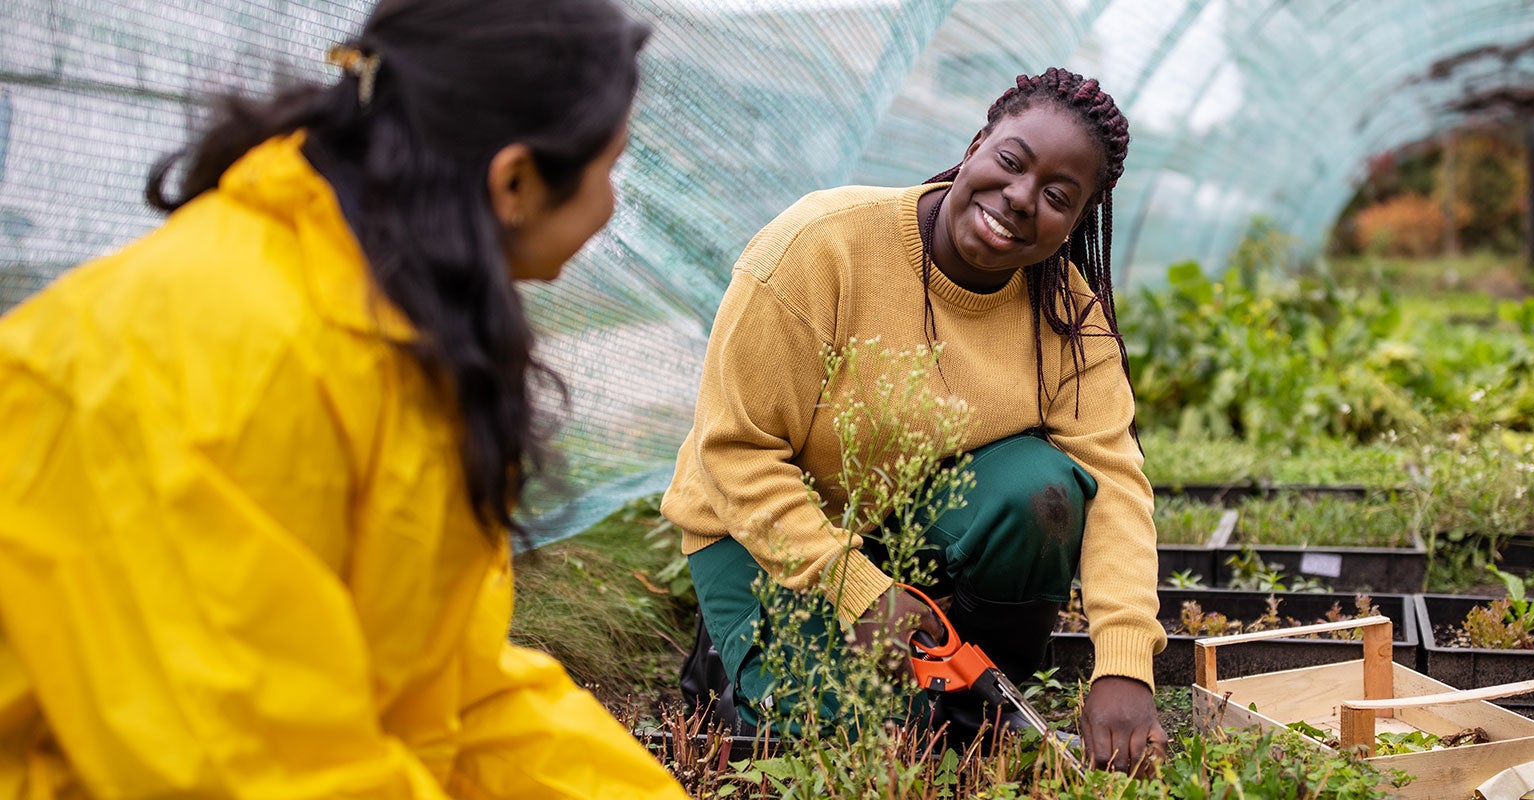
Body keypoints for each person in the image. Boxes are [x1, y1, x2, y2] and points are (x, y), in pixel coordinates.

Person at [0, 0, 685, 796]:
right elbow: (253, 769)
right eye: (613, 170)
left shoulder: (390, 330)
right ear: (516, 181)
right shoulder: (212, 365)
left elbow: (456, 696)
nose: (610, 210)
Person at [663, 67, 1167, 773]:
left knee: (1043, 488)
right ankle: (731, 658)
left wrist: (1124, 664)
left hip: (907, 519)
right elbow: (734, 451)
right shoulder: (821, 247)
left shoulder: (1065, 319)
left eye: (1058, 196)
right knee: (853, 742)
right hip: (757, 527)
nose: (1021, 198)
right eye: (1011, 162)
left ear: (1079, 219)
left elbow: (1113, 485)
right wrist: (858, 590)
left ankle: (972, 709)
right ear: (975, 144)